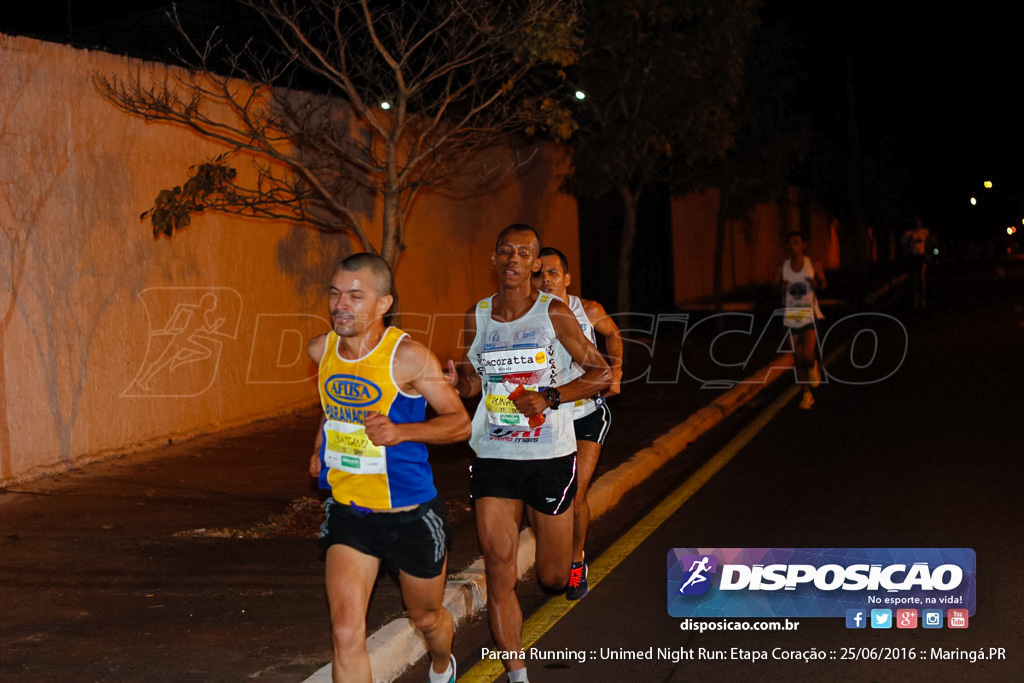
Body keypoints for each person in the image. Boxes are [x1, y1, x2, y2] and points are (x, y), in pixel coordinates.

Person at [446, 224, 611, 683]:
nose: (514, 260)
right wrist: (457, 382)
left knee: (552, 577)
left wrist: (552, 397)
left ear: (536, 263)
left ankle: (571, 562)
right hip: (495, 454)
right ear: (495, 259)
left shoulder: (554, 313)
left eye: (524, 253)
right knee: (498, 569)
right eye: (505, 251)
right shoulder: (476, 315)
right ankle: (517, 673)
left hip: (549, 456)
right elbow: (475, 380)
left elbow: (600, 373)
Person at [308, 253, 471, 683]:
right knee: (345, 631)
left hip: (412, 516)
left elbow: (460, 424)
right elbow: (331, 408)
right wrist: (320, 445)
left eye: (355, 296)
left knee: (427, 619)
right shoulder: (320, 349)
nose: (341, 304)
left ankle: (442, 664)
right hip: (351, 514)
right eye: (335, 293)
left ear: (383, 304)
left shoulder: (409, 358)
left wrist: (401, 433)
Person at [532, 246, 622, 600]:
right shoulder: (530, 315)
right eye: (539, 274)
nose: (545, 280)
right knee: (549, 497)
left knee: (576, 492)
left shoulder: (588, 310)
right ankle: (555, 554)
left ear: (567, 278)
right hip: (550, 420)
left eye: (552, 273)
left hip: (586, 414)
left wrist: (616, 372)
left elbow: (613, 333)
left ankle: (576, 562)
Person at [778, 231, 827, 410]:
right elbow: (773, 286)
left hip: (809, 314)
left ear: (803, 245)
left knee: (806, 355)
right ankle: (806, 394)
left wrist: (817, 284)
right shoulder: (783, 267)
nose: (793, 246)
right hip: (791, 316)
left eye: (797, 243)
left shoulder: (812, 264)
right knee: (797, 359)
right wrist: (780, 286)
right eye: (790, 243)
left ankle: (813, 366)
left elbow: (824, 283)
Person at [902, 216, 931, 309]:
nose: (917, 224)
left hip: (921, 256)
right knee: (915, 279)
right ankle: (915, 300)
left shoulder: (924, 232)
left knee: (922, 278)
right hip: (913, 257)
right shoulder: (908, 233)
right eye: (915, 222)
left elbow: (928, 242)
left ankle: (922, 300)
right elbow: (904, 245)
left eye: (918, 222)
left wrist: (929, 252)